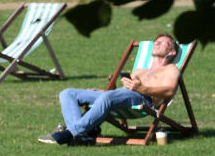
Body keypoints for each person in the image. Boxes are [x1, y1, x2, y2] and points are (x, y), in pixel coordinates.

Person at [39, 33, 182, 145]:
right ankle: (81, 136)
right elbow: (120, 94)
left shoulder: (170, 69)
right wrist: (105, 90)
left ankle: (71, 133)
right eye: (156, 42)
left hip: (144, 99)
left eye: (164, 43)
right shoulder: (139, 70)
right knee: (68, 93)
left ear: (172, 52)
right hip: (120, 96)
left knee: (107, 98)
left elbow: (169, 91)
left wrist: (142, 88)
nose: (157, 43)